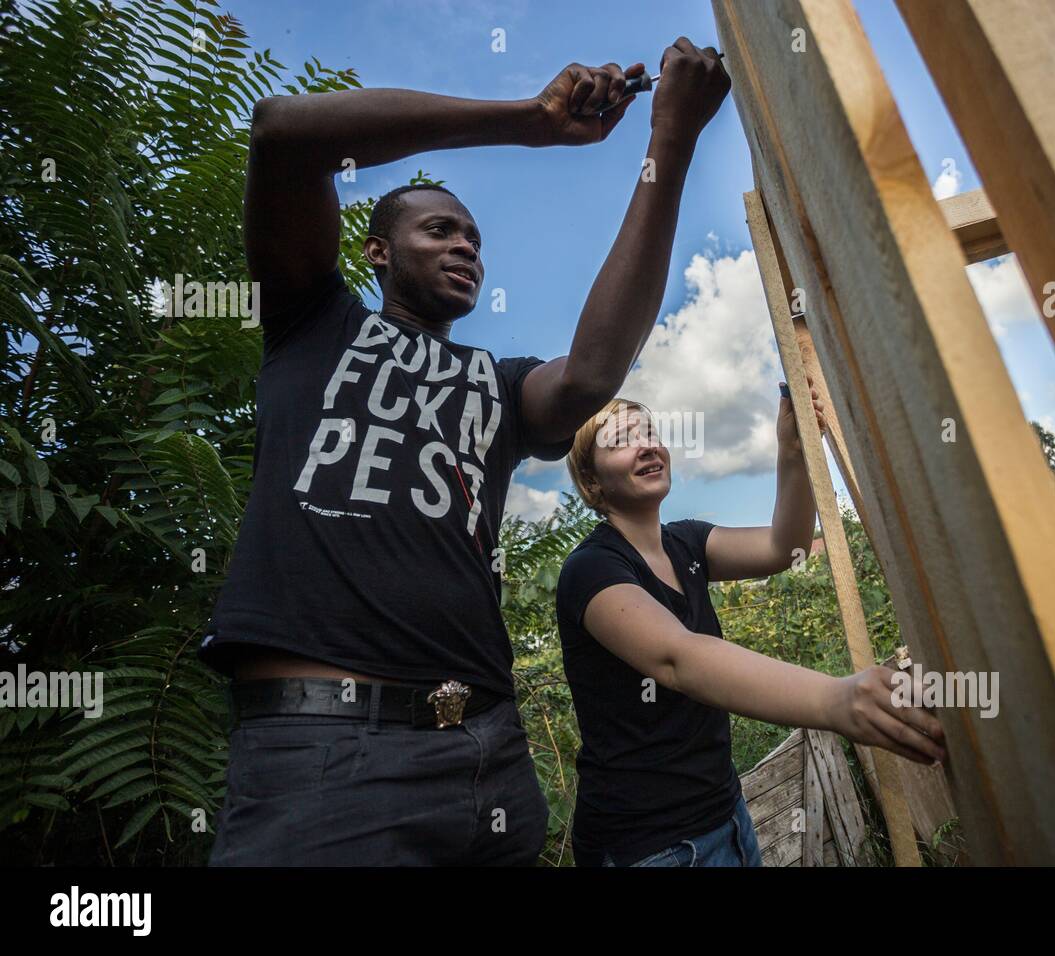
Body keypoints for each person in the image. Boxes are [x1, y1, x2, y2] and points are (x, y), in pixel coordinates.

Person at [201, 39, 731, 865]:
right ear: (376, 250)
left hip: (488, 752)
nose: (465, 248)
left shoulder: (498, 383)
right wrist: (531, 121)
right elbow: (281, 131)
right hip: (325, 758)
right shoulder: (313, 324)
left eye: (476, 240)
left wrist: (671, 138)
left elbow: (593, 372)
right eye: (439, 229)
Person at [556, 389, 947, 867]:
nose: (647, 445)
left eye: (651, 432)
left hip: (726, 814)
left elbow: (786, 547)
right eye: (621, 440)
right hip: (651, 847)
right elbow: (678, 658)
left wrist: (791, 452)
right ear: (592, 482)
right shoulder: (592, 569)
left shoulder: (687, 542)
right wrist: (836, 699)